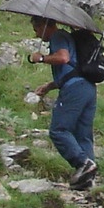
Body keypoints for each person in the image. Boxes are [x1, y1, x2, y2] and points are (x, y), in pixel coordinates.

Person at [28, 16, 97, 190]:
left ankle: (83, 163)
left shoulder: (57, 37)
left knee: (58, 130)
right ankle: (87, 180)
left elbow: (63, 58)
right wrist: (49, 86)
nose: (36, 34)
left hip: (74, 90)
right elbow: (71, 69)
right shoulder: (68, 37)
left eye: (36, 29)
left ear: (44, 26)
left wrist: (41, 58)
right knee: (83, 134)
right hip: (88, 87)